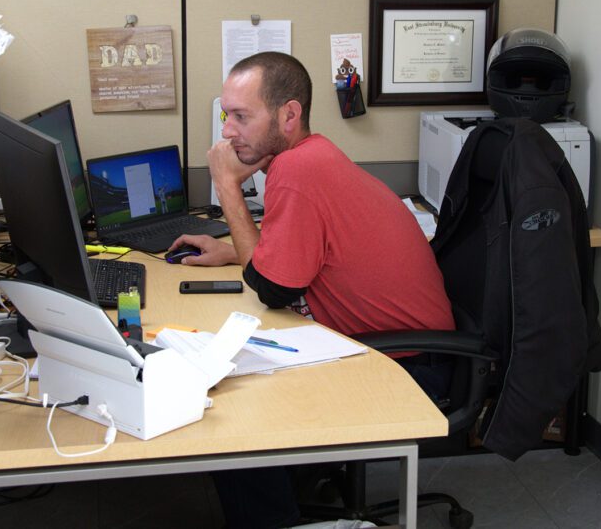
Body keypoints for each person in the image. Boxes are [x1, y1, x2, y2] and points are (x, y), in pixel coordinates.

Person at [170, 52, 455, 529]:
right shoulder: (312, 156)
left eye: (241, 116)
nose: (226, 132)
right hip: (388, 347)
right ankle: (290, 487)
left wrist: (227, 188)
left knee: (233, 418)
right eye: (226, 115)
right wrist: (239, 250)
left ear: (289, 114)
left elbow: (273, 288)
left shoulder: (297, 171)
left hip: (405, 365)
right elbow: (295, 261)